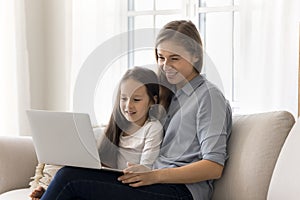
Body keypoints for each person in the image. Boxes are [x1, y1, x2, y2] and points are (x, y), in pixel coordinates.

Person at [39, 20, 232, 200]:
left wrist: (154, 176)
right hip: (157, 183)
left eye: (174, 58)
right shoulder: (172, 96)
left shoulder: (209, 97)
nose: (166, 66)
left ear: (196, 55)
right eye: (161, 57)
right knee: (70, 179)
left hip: (181, 191)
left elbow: (213, 167)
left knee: (69, 178)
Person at [30, 66, 163, 199]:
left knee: (68, 175)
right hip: (113, 183)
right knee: (68, 178)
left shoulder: (152, 128)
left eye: (136, 99)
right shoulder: (116, 128)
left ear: (153, 100)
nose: (128, 105)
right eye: (124, 98)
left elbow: (146, 171)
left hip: (133, 188)